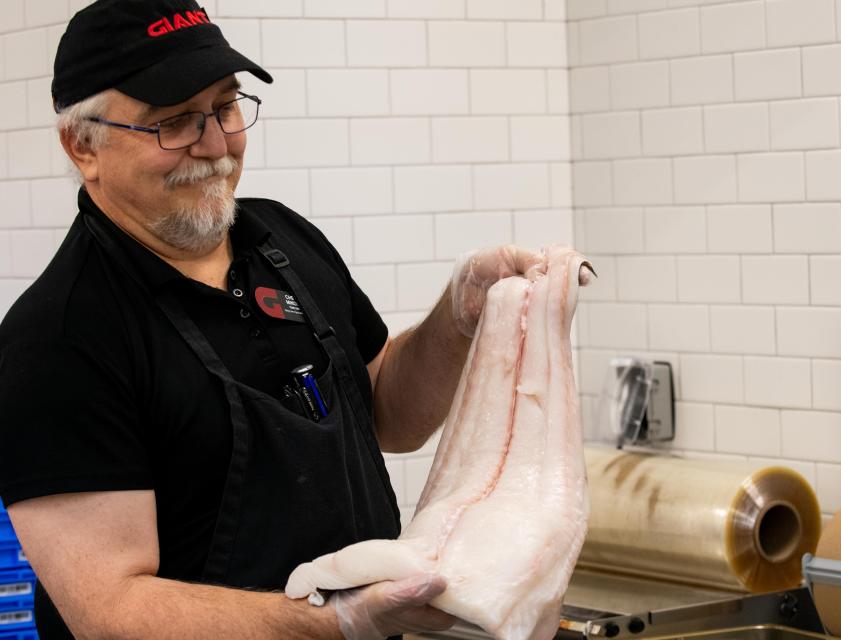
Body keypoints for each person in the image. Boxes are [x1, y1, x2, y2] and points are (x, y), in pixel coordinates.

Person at [0, 1, 545, 638]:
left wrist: (457, 318)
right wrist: (334, 621)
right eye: (174, 121)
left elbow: (390, 417)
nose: (214, 144)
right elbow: (110, 612)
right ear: (82, 144)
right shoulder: (58, 340)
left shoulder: (284, 239)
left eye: (226, 108)